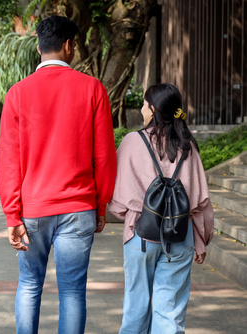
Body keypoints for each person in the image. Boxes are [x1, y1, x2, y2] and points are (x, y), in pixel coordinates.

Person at [0, 15, 117, 333]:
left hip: (33, 208)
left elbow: (10, 161)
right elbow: (104, 156)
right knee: (73, 292)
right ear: (68, 46)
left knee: (29, 285)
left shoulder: (17, 94)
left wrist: (12, 214)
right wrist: (101, 204)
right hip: (79, 208)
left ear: (38, 47)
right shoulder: (93, 89)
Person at [109, 83, 214, 333]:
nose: (143, 109)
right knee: (170, 313)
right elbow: (201, 202)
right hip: (180, 234)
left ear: (153, 109)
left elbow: (118, 197)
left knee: (136, 307)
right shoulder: (188, 145)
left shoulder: (133, 142)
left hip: (140, 232)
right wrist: (201, 239)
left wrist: (130, 215)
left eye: (145, 104)